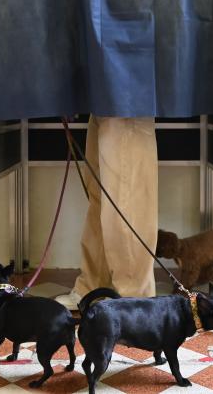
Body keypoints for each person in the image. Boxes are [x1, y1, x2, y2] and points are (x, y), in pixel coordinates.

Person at [55, 115, 158, 310]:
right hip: (104, 95)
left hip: (125, 97)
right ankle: (94, 288)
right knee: (100, 199)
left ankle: (133, 299)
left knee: (126, 199)